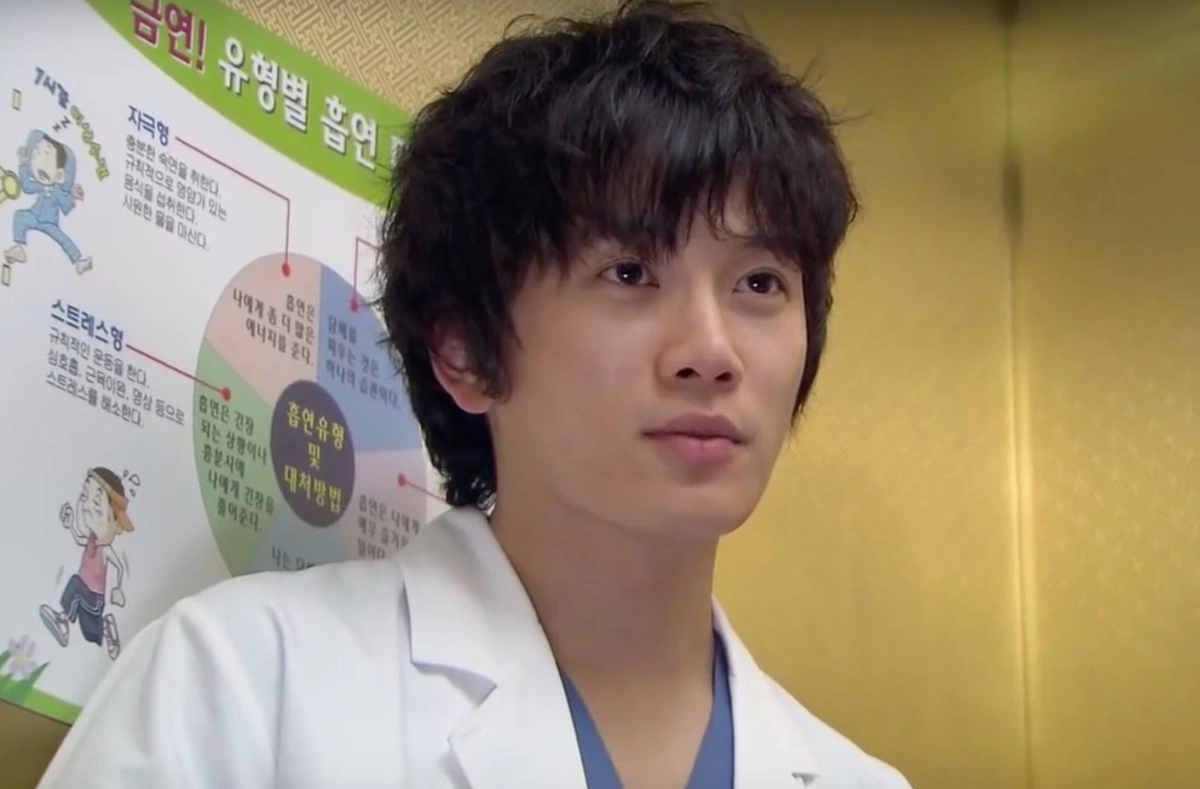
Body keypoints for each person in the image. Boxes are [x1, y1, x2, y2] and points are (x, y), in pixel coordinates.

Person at [37, 2, 912, 787]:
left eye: (760, 283)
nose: (712, 353)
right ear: (464, 350)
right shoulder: (238, 687)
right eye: (630, 271)